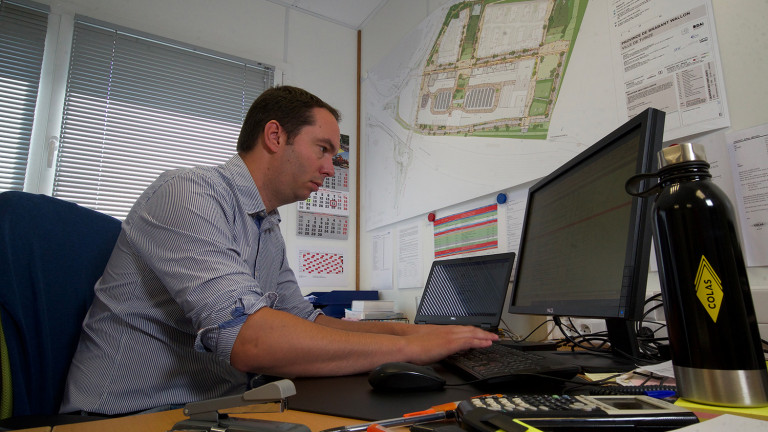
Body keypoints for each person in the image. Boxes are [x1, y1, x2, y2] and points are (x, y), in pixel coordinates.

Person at [60, 85, 498, 415]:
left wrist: (413, 334)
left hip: (212, 410)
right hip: (122, 417)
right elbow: (250, 340)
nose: (331, 167)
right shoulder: (189, 193)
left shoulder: (266, 225)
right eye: (323, 149)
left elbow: (307, 321)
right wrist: (409, 350)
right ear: (275, 135)